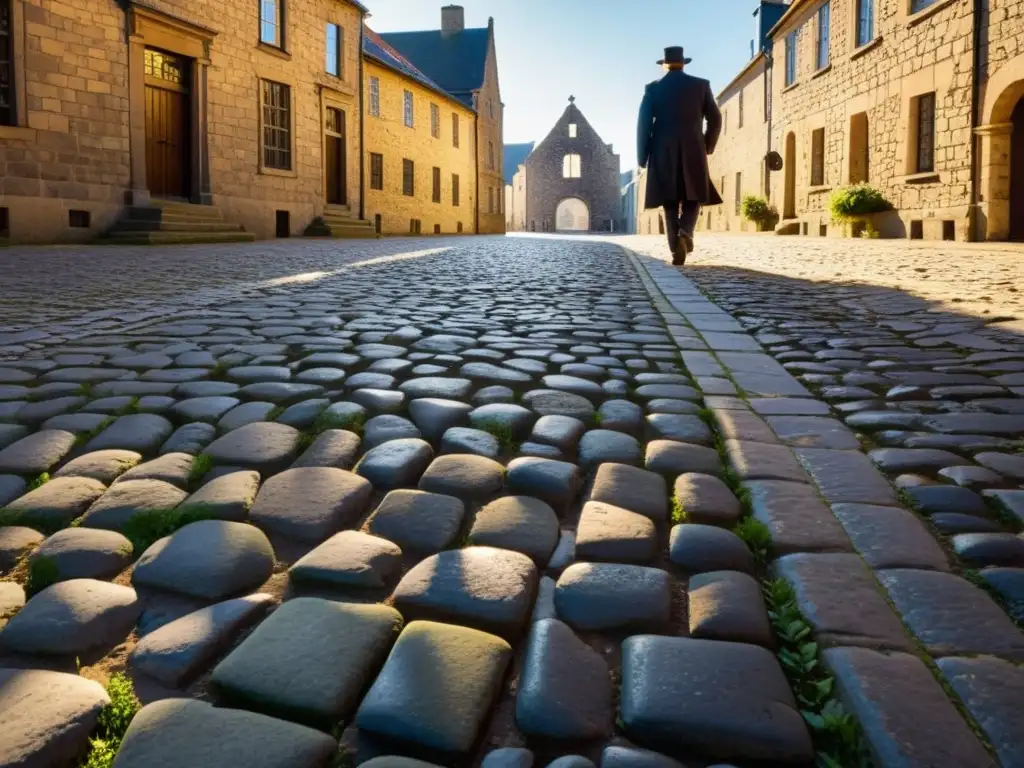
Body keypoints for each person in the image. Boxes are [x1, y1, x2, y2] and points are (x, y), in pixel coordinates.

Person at [637, 46, 723, 265]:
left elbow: (644, 125)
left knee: (670, 201)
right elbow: (715, 118)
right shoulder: (701, 85)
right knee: (694, 196)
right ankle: (685, 231)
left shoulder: (653, 89)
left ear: (664, 65)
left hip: (662, 149)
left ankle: (676, 248)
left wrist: (642, 155)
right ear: (684, 63)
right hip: (694, 147)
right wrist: (708, 144)